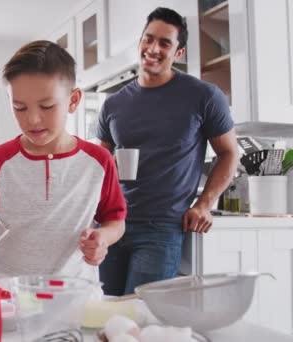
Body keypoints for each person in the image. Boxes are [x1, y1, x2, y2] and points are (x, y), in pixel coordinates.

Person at [0, 40, 127, 280]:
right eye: (19, 107)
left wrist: (103, 238)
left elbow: (115, 220)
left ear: (73, 100)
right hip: (11, 292)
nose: (32, 119)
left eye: (46, 106)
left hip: (76, 292)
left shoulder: (98, 160)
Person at [97, 7, 239, 295]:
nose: (153, 48)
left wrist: (204, 204)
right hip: (112, 224)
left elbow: (230, 153)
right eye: (148, 39)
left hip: (161, 228)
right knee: (105, 311)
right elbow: (99, 162)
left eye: (165, 43)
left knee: (143, 314)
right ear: (139, 42)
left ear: (179, 53)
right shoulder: (113, 104)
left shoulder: (203, 96)